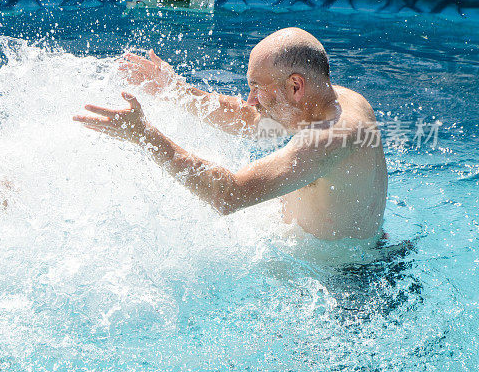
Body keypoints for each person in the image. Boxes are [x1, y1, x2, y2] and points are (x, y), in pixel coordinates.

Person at [74, 27, 388, 241]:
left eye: (257, 89)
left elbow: (228, 196)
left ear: (295, 85)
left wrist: (145, 136)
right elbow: (249, 118)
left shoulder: (330, 139)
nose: (251, 99)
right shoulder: (330, 101)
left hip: (345, 290)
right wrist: (176, 90)